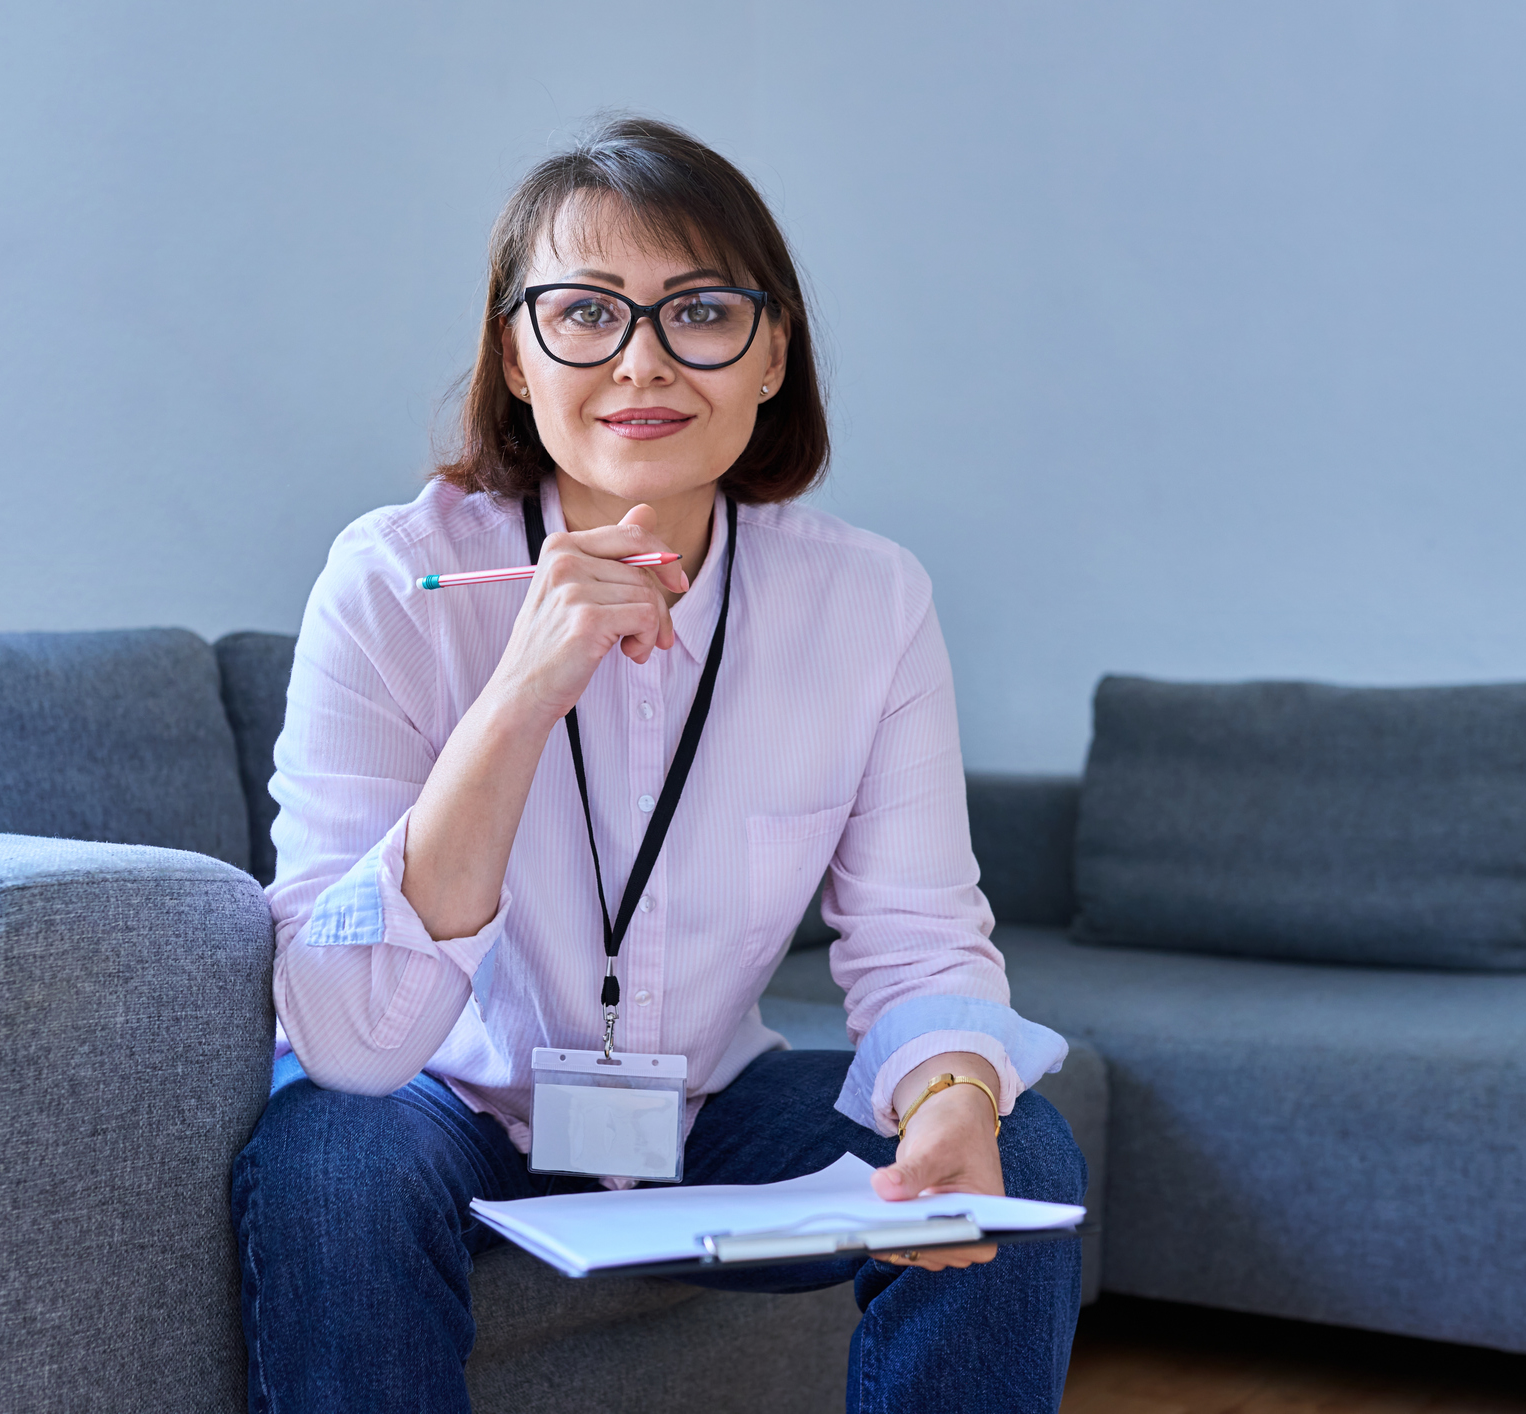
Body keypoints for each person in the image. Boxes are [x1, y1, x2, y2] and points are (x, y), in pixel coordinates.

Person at [230, 115, 1084, 1413]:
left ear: (770, 352)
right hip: (437, 1096)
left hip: (702, 1102)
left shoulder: (867, 601)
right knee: (334, 1158)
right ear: (515, 354)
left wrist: (952, 1088)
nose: (641, 361)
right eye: (583, 312)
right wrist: (520, 692)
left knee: (1018, 1141)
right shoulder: (393, 579)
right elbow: (348, 1039)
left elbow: (917, 938)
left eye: (699, 311)